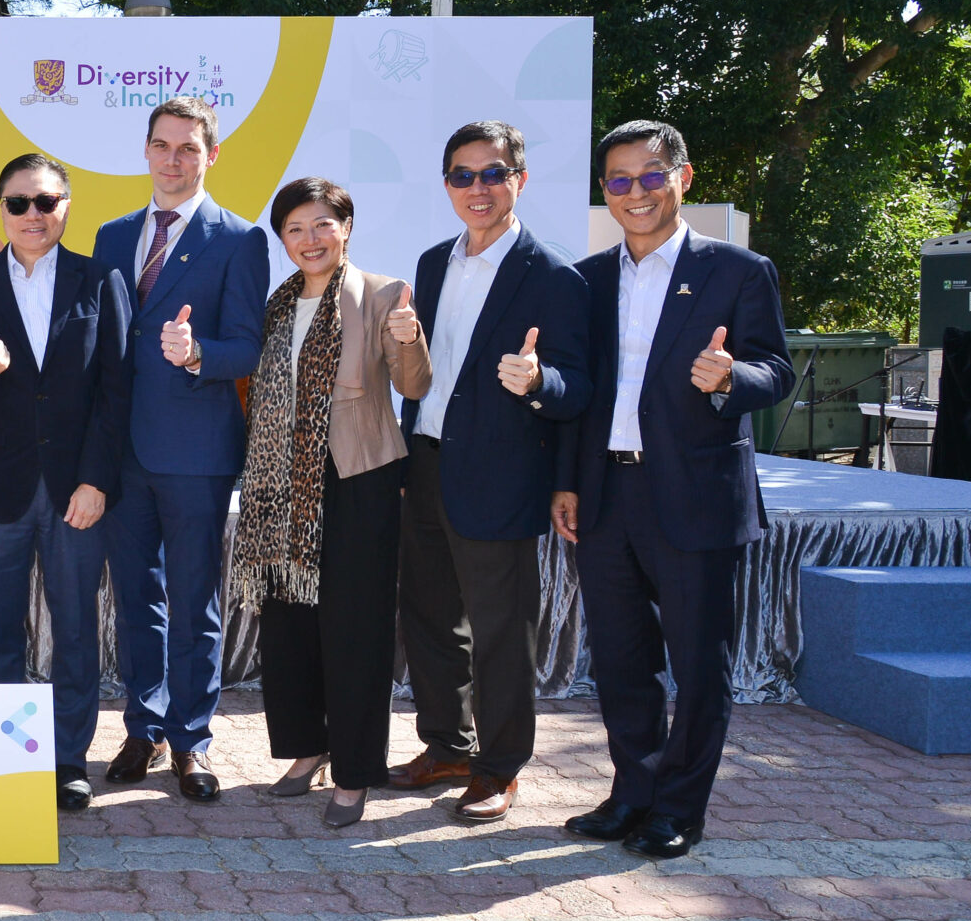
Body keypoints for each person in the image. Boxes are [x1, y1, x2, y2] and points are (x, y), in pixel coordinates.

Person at [554, 121, 794, 860]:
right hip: (604, 496)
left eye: (651, 176)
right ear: (605, 192)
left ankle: (679, 807)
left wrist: (732, 379)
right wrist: (565, 483)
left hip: (694, 496)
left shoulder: (739, 271)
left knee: (697, 664)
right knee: (621, 661)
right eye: (620, 180)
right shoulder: (586, 280)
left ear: (683, 179)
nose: (637, 193)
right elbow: (582, 393)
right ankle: (633, 792)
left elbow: (774, 370)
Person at [391, 122, 593, 822]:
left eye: (492, 173)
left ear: (520, 180)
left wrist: (539, 381)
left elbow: (578, 390)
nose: (477, 188)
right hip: (424, 460)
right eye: (462, 175)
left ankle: (500, 767)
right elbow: (421, 370)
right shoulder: (429, 264)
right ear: (447, 184)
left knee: (501, 630)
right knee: (428, 618)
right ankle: (447, 745)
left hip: (502, 476)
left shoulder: (554, 274)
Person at [89, 95, 270, 803]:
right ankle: (144, 727)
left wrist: (198, 355)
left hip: (196, 450)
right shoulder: (112, 235)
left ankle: (192, 739)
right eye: (162, 145)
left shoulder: (239, 238)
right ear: (146, 150)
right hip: (120, 449)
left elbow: (247, 344)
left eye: (188, 148)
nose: (173, 159)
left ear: (212, 155)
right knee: (137, 597)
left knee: (193, 599)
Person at [233, 178, 429, 827]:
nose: (309, 239)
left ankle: (353, 773)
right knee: (289, 626)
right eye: (294, 229)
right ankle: (305, 748)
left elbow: (413, 383)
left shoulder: (380, 293)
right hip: (280, 484)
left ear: (346, 226)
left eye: (322, 225)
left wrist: (406, 335)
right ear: (282, 239)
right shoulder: (278, 303)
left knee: (355, 632)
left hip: (356, 479)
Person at [0, 152, 123, 811]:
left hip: (77, 491)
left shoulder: (100, 280)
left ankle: (68, 758)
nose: (33, 215)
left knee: (75, 628)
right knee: (1, 633)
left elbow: (114, 392)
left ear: (66, 207)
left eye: (46, 202)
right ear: (2, 211)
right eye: (19, 203)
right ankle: (2, 759)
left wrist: (97, 481)